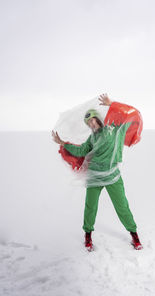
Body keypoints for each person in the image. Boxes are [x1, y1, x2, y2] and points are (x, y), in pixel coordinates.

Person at [52, 94, 143, 251]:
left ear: (98, 119)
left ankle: (134, 234)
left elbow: (131, 113)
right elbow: (81, 150)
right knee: (90, 206)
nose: (92, 124)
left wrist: (112, 104)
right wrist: (64, 144)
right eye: (89, 123)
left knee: (122, 207)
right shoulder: (92, 138)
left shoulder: (115, 128)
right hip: (94, 175)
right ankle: (88, 234)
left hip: (113, 176)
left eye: (93, 120)